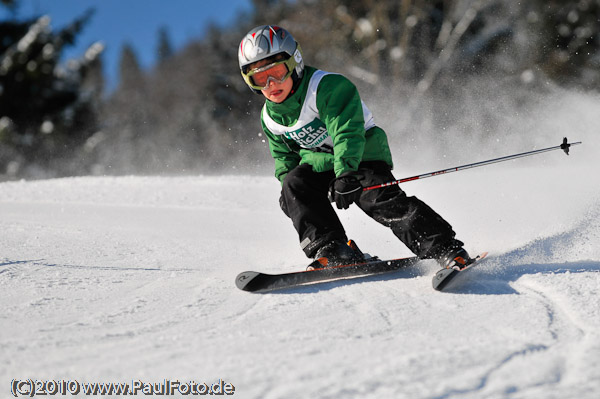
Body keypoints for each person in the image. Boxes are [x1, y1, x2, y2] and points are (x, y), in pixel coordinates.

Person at [238, 25, 470, 270]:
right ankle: (333, 249)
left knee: (378, 199)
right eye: (260, 79)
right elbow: (284, 157)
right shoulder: (269, 117)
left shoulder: (326, 87)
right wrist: (291, 194)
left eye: (276, 72)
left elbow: (346, 131)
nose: (271, 84)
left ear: (295, 62)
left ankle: (444, 248)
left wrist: (346, 172)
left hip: (361, 157)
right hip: (323, 166)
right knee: (295, 183)